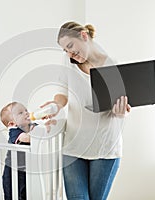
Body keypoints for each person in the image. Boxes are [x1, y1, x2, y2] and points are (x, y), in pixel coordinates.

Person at [42, 21, 131, 200]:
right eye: (65, 50)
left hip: (104, 148)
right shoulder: (69, 62)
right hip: (74, 146)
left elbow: (120, 109)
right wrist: (56, 106)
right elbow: (62, 93)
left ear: (84, 35)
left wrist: (121, 112)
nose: (69, 53)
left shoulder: (111, 65)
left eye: (70, 46)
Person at [0, 102, 35, 200]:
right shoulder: (14, 131)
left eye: (26, 110)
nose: (26, 113)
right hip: (12, 171)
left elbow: (42, 129)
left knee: (25, 194)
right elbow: (27, 138)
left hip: (24, 170)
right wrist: (38, 133)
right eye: (20, 113)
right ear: (12, 123)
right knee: (13, 194)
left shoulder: (30, 126)